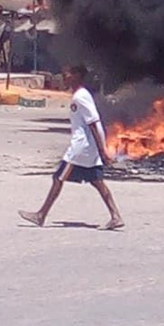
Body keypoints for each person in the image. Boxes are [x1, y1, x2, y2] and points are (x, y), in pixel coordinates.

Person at [18, 64, 124, 230]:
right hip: (87, 148)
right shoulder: (81, 95)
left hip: (80, 149)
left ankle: (41, 215)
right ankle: (115, 216)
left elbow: (94, 124)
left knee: (58, 178)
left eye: (66, 74)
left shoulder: (80, 97)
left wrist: (102, 150)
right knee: (97, 181)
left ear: (76, 75)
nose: (63, 77)